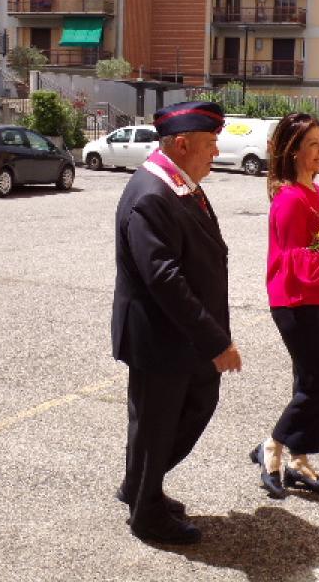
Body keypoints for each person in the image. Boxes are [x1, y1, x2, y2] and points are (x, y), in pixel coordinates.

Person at [111, 100, 242, 545]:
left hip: (179, 337)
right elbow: (164, 278)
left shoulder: (176, 182)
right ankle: (146, 513)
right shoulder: (151, 193)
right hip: (162, 337)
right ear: (182, 144)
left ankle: (140, 486)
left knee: (179, 413)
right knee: (157, 423)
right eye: (209, 144)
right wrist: (215, 342)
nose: (216, 152)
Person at [250, 112, 319, 499]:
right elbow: (299, 263)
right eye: (312, 144)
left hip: (317, 298)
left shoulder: (314, 192)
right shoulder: (290, 200)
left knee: (307, 382)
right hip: (294, 300)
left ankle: (298, 460)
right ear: (293, 151)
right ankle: (272, 447)